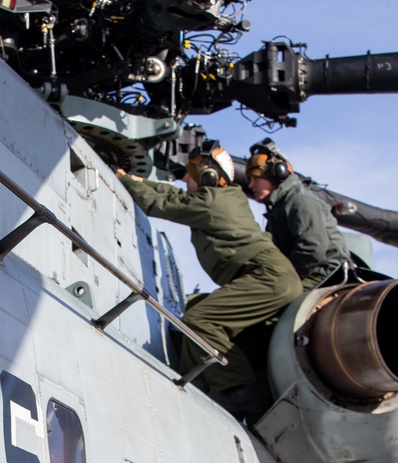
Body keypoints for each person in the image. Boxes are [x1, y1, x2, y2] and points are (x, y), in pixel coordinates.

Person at [116, 140, 302, 418]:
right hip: (269, 278)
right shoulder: (219, 198)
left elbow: (160, 203)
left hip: (269, 278)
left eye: (189, 174)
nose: (184, 179)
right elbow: (173, 194)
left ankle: (239, 394)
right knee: (194, 308)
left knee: (201, 321)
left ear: (209, 176)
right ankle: (199, 383)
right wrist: (134, 179)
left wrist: (123, 181)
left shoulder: (212, 204)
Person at [245, 139, 352, 290]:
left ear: (277, 174)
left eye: (256, 177)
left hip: (324, 275)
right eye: (250, 179)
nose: (251, 185)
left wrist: (283, 279)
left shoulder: (300, 201)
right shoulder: (279, 208)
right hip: (309, 273)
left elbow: (313, 248)